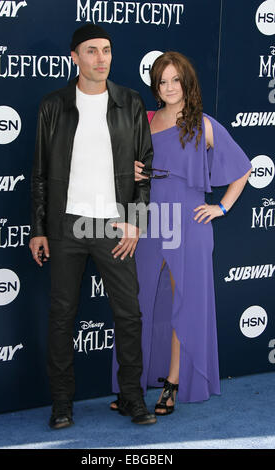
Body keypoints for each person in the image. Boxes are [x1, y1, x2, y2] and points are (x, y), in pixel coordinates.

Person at [29, 23, 157, 429]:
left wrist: (136, 221)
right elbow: (39, 172)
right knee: (62, 316)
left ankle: (132, 398)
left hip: (114, 226)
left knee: (129, 315)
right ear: (75, 57)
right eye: (91, 51)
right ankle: (62, 404)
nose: (100, 58)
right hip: (66, 226)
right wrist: (38, 228)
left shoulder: (130, 101)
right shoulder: (53, 105)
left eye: (106, 50)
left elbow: (144, 167)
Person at [111, 51, 252, 415]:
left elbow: (243, 169)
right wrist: (136, 174)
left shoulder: (202, 123)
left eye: (176, 79)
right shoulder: (145, 119)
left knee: (183, 304)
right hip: (148, 219)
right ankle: (132, 385)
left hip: (188, 222)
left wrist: (221, 207)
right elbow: (129, 168)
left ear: (187, 82)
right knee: (137, 304)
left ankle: (173, 383)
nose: (169, 87)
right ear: (155, 86)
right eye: (162, 81)